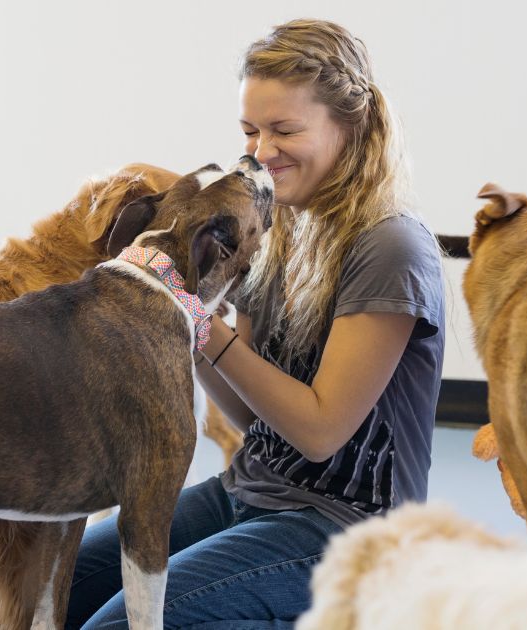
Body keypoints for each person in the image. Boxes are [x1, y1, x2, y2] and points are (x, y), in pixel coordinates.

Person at [66, 18, 445, 629]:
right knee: (57, 587)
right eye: (250, 130)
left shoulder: (391, 247)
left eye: (285, 130)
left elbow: (319, 432)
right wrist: (179, 322)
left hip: (347, 529)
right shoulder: (280, 228)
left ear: (351, 126)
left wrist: (196, 317)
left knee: (118, 626)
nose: (261, 152)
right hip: (249, 489)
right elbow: (252, 418)